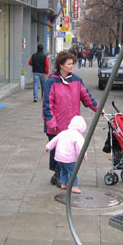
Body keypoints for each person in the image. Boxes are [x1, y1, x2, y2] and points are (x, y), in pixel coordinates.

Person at [42, 50, 100, 187]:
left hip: (71, 126)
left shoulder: (77, 80)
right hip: (56, 126)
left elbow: (87, 97)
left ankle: (60, 176)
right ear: (61, 65)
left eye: (72, 63)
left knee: (69, 152)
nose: (72, 66)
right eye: (69, 64)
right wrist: (51, 123)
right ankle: (57, 176)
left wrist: (98, 108)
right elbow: (47, 104)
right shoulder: (51, 82)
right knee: (58, 151)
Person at [45, 115, 88, 194]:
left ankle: (64, 184)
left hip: (59, 157)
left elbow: (54, 140)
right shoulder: (78, 136)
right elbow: (81, 147)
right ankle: (74, 186)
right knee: (73, 172)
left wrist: (48, 147)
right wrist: (84, 155)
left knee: (63, 171)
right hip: (69, 159)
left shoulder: (63, 132)